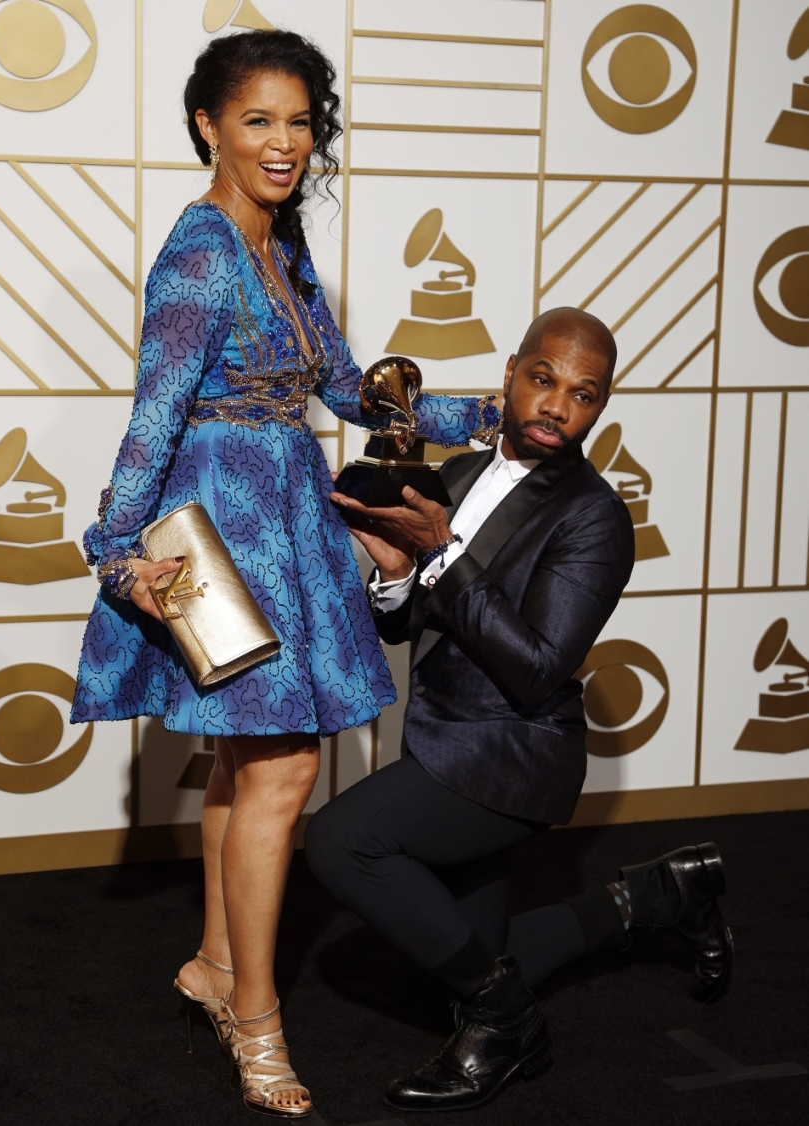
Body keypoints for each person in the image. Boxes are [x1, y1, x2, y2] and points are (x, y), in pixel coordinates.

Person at [70, 30, 501, 1120]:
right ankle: (257, 1021)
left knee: (246, 769)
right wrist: (116, 551)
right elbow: (154, 417)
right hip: (226, 535)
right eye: (258, 119)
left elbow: (351, 389)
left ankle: (217, 965)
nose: (284, 142)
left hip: (284, 521)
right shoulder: (205, 251)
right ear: (207, 125)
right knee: (285, 772)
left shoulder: (284, 244)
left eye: (301, 121)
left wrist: (483, 417)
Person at [306, 307, 733, 1114]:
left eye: (584, 394)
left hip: (515, 754)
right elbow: (405, 620)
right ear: (509, 373)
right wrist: (397, 569)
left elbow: (537, 669)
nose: (557, 407)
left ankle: (508, 1026)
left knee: (342, 841)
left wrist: (442, 553)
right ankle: (662, 897)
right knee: (474, 958)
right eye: (543, 380)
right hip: (443, 733)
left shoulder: (595, 517)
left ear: (600, 406)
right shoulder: (459, 476)